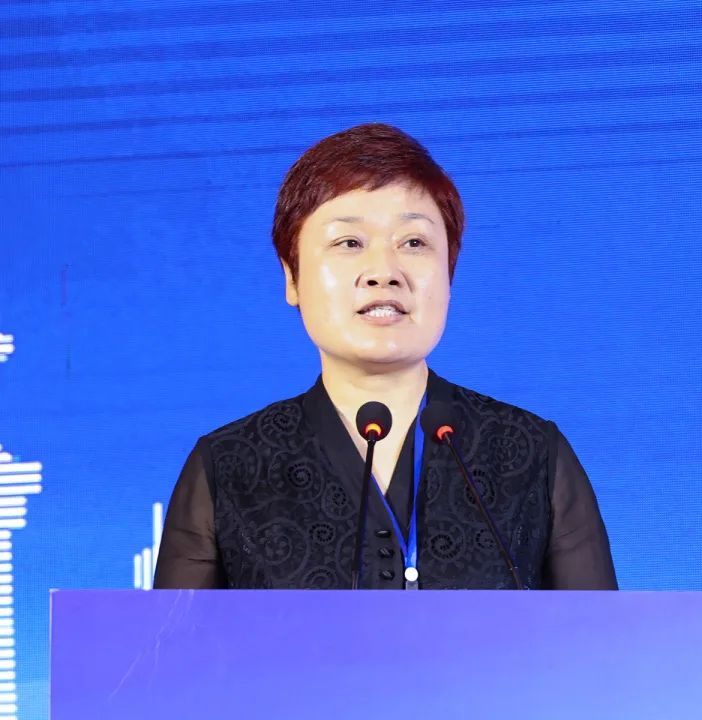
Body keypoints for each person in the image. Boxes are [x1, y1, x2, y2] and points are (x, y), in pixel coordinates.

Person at [154, 123, 617, 590]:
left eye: (414, 243)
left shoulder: (532, 454)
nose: (383, 272)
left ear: (449, 274)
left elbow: (600, 635)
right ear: (292, 277)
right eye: (349, 243)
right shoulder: (228, 465)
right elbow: (171, 637)